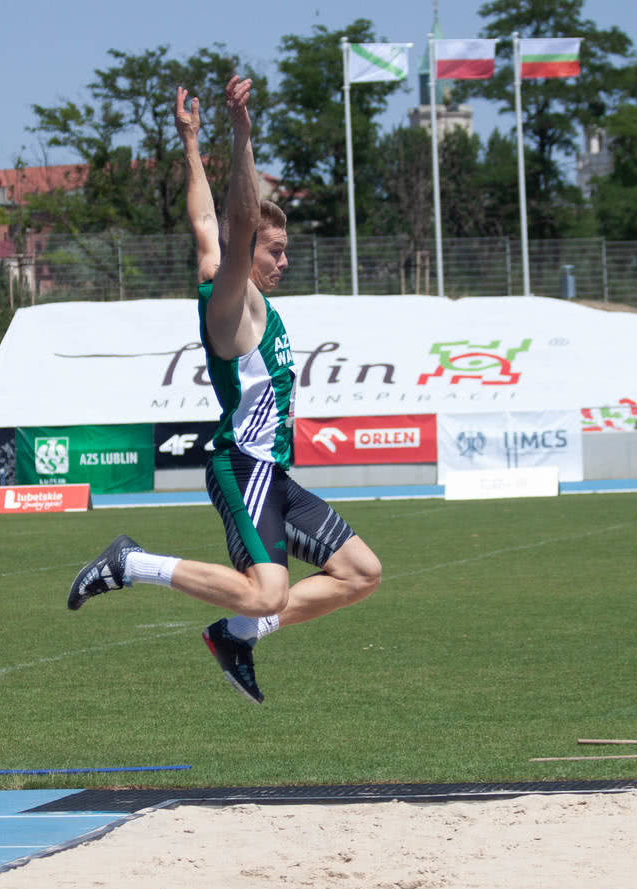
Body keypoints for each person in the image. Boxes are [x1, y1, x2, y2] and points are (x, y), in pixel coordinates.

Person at [66, 77, 381, 704]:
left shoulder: (235, 281)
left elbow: (206, 218)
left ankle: (237, 635)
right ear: (249, 250)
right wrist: (242, 132)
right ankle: (131, 564)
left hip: (274, 472)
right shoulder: (232, 299)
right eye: (276, 252)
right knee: (268, 590)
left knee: (360, 573)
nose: (284, 262)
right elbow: (234, 219)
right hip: (242, 466)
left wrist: (190, 142)